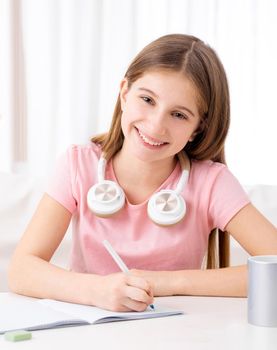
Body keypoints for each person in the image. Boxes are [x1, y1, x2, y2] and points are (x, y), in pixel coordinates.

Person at [8, 34, 277, 312]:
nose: (155, 125)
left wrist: (167, 283)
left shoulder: (211, 183)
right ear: (125, 93)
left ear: (198, 128)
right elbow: (21, 270)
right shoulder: (78, 164)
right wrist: (96, 290)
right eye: (147, 99)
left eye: (179, 115)